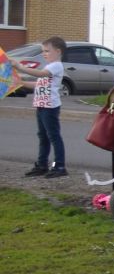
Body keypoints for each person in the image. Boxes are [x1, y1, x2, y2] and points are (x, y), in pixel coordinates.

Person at [17, 37, 68, 179]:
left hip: (50, 107)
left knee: (53, 136)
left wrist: (20, 67)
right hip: (41, 105)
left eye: (47, 51)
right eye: (43, 51)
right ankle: (42, 165)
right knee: (43, 136)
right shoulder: (48, 66)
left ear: (58, 51)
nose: (44, 54)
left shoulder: (56, 65)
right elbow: (38, 84)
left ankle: (59, 166)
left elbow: (41, 74)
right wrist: (19, 82)